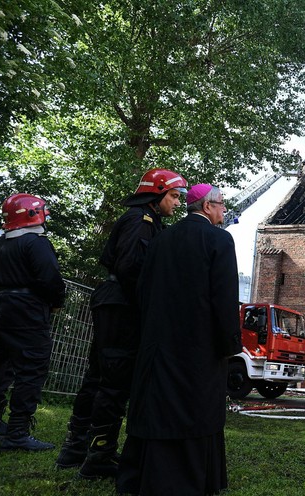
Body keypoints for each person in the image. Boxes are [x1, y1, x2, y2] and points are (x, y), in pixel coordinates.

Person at [56, 168, 187, 478]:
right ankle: (99, 455)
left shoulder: (145, 220)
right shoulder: (140, 222)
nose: (178, 203)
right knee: (113, 380)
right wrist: (152, 304)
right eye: (173, 196)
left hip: (114, 301)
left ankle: (75, 449)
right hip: (122, 306)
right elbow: (132, 268)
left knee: (98, 376)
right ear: (156, 194)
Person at [116, 184, 241, 496]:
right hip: (199, 348)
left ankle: (142, 476)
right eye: (222, 205)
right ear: (208, 206)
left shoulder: (161, 238)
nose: (225, 211)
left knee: (156, 407)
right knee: (194, 411)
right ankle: (190, 481)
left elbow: (142, 289)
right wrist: (229, 346)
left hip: (158, 343)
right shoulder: (219, 239)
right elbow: (224, 298)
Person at [0, 193, 66, 450]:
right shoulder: (35, 242)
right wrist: (55, 302)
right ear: (34, 214)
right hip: (26, 311)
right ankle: (17, 432)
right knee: (31, 368)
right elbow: (50, 278)